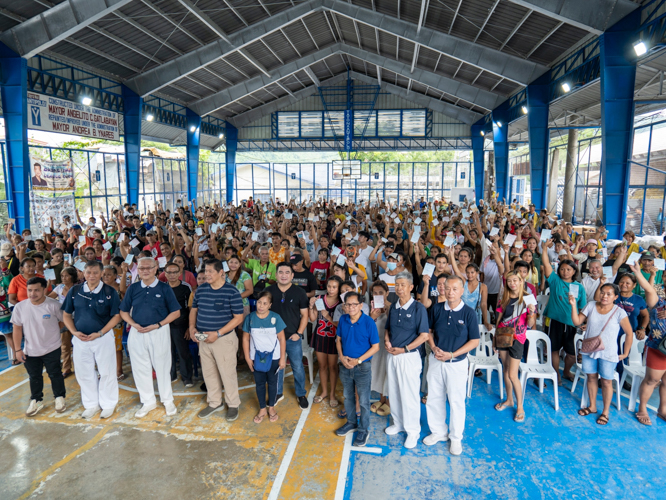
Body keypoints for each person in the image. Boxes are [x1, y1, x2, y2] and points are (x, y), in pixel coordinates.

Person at [423, 276, 480, 455]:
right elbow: (429, 332)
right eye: (447, 288)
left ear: (462, 291)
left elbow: (475, 341)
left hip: (457, 363)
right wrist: (433, 347)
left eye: (455, 289)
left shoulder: (469, 313)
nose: (450, 292)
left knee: (456, 401)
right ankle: (438, 432)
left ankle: (456, 438)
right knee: (434, 397)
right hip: (436, 360)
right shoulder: (437, 309)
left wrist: (453, 354)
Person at [120, 257, 182, 418]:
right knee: (140, 368)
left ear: (156, 269)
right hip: (137, 331)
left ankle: (167, 400)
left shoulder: (164, 288)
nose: (145, 271)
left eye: (148, 268)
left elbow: (176, 312)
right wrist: (133, 324)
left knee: (162, 366)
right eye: (141, 268)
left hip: (158, 331)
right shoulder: (133, 288)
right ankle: (148, 401)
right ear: (137, 270)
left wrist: (158, 325)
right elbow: (123, 311)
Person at [61, 261, 121, 419]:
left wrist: (100, 333)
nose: (92, 276)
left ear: (101, 273)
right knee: (83, 373)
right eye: (88, 272)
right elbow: (66, 315)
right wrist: (74, 332)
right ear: (83, 273)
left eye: (95, 272)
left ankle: (108, 404)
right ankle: (91, 404)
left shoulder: (110, 291)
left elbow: (117, 316)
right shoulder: (75, 290)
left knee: (107, 372)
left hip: (102, 337)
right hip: (80, 339)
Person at [570, 283, 633, 426]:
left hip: (608, 353)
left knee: (606, 381)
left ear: (616, 297)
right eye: (602, 292)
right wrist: (573, 305)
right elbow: (577, 321)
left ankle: (605, 412)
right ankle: (592, 406)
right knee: (591, 377)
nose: (604, 296)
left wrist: (625, 353)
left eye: (609, 294)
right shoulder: (591, 305)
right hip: (590, 349)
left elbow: (629, 333)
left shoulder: (619, 312)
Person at [190, 259, 245, 421]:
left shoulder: (232, 291)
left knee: (227, 373)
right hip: (203, 337)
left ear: (221, 272)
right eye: (205, 271)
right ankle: (214, 402)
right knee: (208, 372)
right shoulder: (201, 290)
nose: (206, 275)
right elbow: (194, 310)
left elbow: (238, 318)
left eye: (210, 272)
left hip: (223, 339)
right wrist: (192, 327)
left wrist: (218, 333)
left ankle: (233, 404)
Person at [384, 271, 430, 449]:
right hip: (392, 355)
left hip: (409, 357)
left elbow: (424, 336)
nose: (399, 288)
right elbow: (387, 328)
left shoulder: (419, 308)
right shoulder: (394, 307)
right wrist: (387, 340)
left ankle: (412, 431)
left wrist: (404, 349)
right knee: (394, 391)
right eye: (397, 285)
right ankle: (398, 423)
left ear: (411, 287)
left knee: (409, 395)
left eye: (403, 285)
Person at [11, 277, 66, 416]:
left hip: (52, 348)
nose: (32, 293)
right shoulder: (20, 307)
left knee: (55, 374)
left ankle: (59, 397)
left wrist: (52, 332)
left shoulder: (54, 305)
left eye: (36, 290)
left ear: (44, 289)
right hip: (30, 350)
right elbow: (17, 329)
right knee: (34, 376)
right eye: (29, 290)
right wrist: (17, 349)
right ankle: (36, 400)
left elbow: (64, 321)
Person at [334, 292, 380, 447]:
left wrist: (358, 360)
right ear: (344, 306)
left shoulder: (368, 322)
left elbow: (375, 347)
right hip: (345, 365)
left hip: (362, 367)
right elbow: (338, 340)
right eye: (348, 304)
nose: (351, 307)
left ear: (361, 305)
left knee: (364, 401)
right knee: (348, 397)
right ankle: (352, 422)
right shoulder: (343, 319)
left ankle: (363, 429)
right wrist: (341, 356)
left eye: (354, 304)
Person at [541, 241, 586, 384]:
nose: (565, 272)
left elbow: (582, 308)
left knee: (572, 355)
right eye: (562, 269)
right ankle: (556, 374)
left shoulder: (579, 287)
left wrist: (583, 322)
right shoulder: (555, 281)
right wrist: (544, 249)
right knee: (554, 350)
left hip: (572, 324)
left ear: (574, 271)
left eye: (568, 269)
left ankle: (566, 371)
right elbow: (547, 264)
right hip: (554, 321)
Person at [494, 271, 536, 423]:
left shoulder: (527, 298)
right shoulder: (503, 298)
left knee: (513, 374)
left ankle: (520, 407)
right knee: (506, 371)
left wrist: (531, 313)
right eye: (509, 280)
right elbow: (499, 319)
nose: (512, 283)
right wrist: (494, 339)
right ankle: (509, 400)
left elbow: (530, 324)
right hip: (503, 336)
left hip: (518, 339)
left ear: (520, 281)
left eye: (515, 280)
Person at [267, 262, 310, 409]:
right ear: (276, 274)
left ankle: (301, 394)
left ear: (292, 275)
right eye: (280, 272)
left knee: (297, 366)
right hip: (273, 338)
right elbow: (262, 312)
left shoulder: (299, 292)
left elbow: (305, 315)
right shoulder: (269, 291)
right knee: (276, 366)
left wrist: (299, 333)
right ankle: (277, 393)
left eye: (287, 272)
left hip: (292, 337)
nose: (283, 275)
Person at [242, 291, 287, 423]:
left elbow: (282, 339)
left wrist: (282, 358)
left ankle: (271, 407)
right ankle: (262, 408)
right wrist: (247, 357)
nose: (261, 306)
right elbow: (245, 339)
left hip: (274, 357)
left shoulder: (276, 318)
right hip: (256, 357)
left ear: (270, 305)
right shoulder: (250, 318)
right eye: (259, 302)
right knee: (260, 383)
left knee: (273, 383)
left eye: (265, 303)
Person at [309, 276, 342, 407]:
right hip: (320, 337)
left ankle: (332, 393)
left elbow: (340, 325)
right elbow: (312, 319)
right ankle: (324, 392)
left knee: (333, 367)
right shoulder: (320, 300)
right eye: (329, 286)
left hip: (334, 339)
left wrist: (327, 316)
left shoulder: (341, 303)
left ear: (339, 288)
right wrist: (311, 306)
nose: (331, 289)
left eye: (334, 287)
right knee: (322, 366)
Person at [164, 262, 194, 387]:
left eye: (175, 272)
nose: (172, 275)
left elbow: (190, 309)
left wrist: (189, 327)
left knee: (183, 352)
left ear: (179, 273)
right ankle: (171, 375)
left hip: (181, 325)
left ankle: (187, 377)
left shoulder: (185, 287)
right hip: (165, 325)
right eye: (169, 272)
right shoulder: (162, 287)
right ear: (165, 273)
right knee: (167, 351)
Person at [48, 266, 78, 378]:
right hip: (63, 320)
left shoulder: (78, 288)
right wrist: (48, 284)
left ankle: (81, 367)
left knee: (79, 344)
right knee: (64, 346)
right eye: (62, 276)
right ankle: (66, 368)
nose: (64, 278)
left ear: (72, 276)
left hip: (77, 319)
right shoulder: (59, 288)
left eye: (66, 275)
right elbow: (48, 299)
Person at [369, 281, 391, 416]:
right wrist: (372, 316)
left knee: (388, 373)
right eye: (375, 293)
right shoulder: (370, 309)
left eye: (381, 293)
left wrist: (387, 310)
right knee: (378, 371)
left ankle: (388, 401)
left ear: (387, 293)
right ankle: (381, 399)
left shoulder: (392, 307)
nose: (377, 295)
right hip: (376, 346)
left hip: (388, 346)